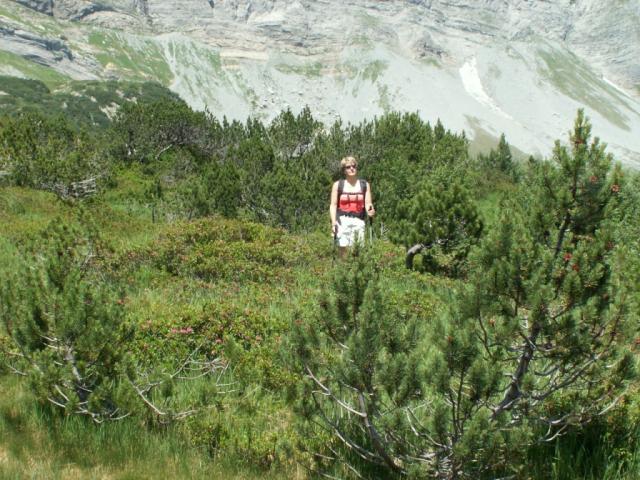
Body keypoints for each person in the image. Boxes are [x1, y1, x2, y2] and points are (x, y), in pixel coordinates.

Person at [330, 156, 375, 257]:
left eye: (354, 166)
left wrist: (370, 211)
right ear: (344, 170)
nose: (351, 168)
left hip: (359, 221)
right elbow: (333, 205)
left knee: (357, 251)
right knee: (343, 251)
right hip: (342, 221)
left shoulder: (364, 185)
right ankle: (343, 267)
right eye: (348, 167)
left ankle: (356, 266)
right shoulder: (337, 185)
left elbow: (368, 203)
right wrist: (333, 223)